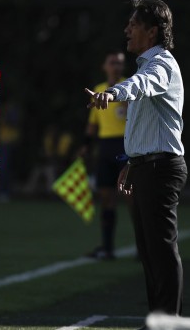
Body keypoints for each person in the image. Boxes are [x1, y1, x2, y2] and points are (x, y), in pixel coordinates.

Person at [86, 0, 188, 318]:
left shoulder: (162, 64)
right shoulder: (147, 64)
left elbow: (140, 85)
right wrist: (131, 163)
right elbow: (147, 126)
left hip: (161, 168)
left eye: (133, 24)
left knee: (160, 249)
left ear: (153, 31)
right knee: (149, 251)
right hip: (148, 167)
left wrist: (113, 92)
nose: (126, 29)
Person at [79, 50, 129, 260]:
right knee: (107, 198)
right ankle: (107, 248)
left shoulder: (129, 86)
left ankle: (145, 248)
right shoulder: (99, 90)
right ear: (105, 66)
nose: (116, 66)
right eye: (112, 63)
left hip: (127, 147)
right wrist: (86, 146)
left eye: (119, 63)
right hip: (106, 147)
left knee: (134, 200)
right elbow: (93, 124)